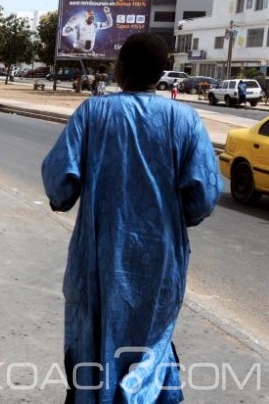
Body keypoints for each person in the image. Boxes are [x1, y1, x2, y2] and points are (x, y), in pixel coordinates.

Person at [41, 33, 220, 402]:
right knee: (151, 345)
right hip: (161, 262)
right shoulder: (185, 121)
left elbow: (59, 183)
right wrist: (170, 218)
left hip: (99, 260)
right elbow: (203, 195)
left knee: (94, 342)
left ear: (120, 69)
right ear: (160, 74)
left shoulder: (93, 113)